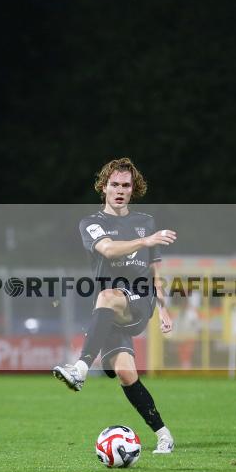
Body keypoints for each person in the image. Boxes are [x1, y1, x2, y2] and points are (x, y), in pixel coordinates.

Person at [53, 158, 176, 453]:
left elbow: (155, 269)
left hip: (138, 298)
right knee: (125, 373)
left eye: (126, 185)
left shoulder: (145, 222)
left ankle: (80, 369)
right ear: (104, 187)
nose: (120, 190)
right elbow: (107, 248)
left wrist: (163, 307)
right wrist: (145, 242)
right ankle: (164, 434)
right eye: (115, 184)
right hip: (109, 311)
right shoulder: (92, 224)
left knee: (107, 296)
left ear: (134, 189)